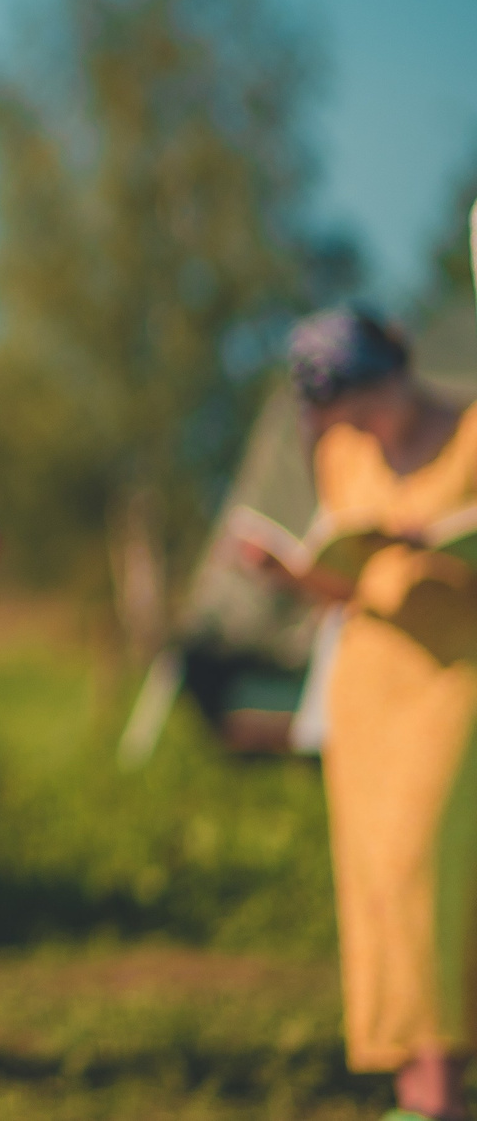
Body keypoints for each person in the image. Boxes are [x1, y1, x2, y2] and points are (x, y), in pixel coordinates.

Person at [239, 303, 476, 1121]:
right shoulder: (341, 454)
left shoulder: (472, 432)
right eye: (343, 417)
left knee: (426, 870)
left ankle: (442, 1089)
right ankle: (413, 1084)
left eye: (364, 409)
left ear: (394, 376)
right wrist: (289, 573)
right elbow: (349, 583)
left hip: (454, 678)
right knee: (377, 881)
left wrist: (432, 546)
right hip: (370, 682)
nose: (359, 429)